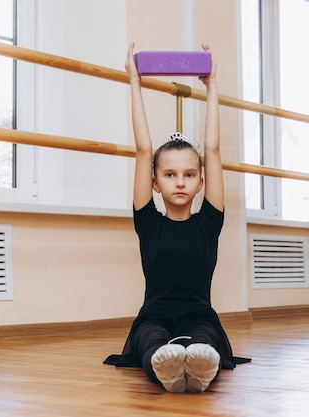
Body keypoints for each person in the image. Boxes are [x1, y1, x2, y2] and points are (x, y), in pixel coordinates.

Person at [103, 42, 250, 392]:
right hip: (154, 316)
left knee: (204, 338)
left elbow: (211, 149)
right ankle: (165, 368)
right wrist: (134, 84)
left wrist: (212, 85)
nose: (180, 181)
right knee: (150, 339)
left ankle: (200, 368)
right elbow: (143, 150)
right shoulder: (149, 223)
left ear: (201, 182)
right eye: (170, 174)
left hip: (200, 317)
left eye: (189, 174)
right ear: (154, 183)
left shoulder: (209, 222)